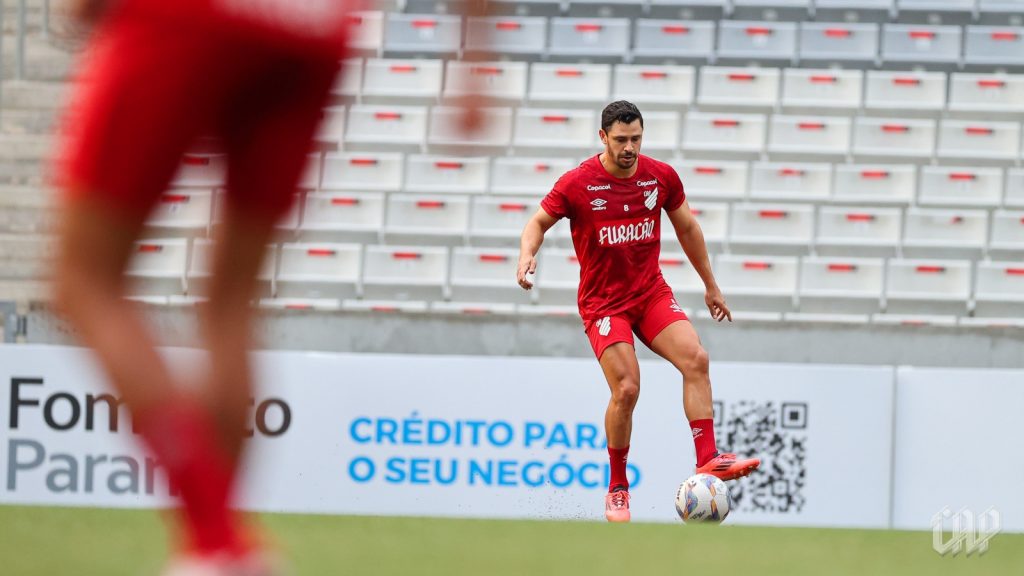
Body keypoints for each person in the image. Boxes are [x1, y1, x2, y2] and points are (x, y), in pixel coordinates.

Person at [52, 1, 483, 573]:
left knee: (84, 278)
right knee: (229, 303)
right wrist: (475, 59)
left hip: (189, 16)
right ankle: (213, 555)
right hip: (311, 30)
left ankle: (216, 537)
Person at [516, 101, 760, 523]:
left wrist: (710, 286)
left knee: (696, 359)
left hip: (649, 294)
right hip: (603, 303)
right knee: (628, 388)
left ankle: (708, 459)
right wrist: (526, 256)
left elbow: (687, 228)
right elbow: (536, 223)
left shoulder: (660, 176)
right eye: (621, 139)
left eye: (636, 139)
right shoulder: (578, 184)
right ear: (603, 138)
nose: (630, 147)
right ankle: (617, 487)